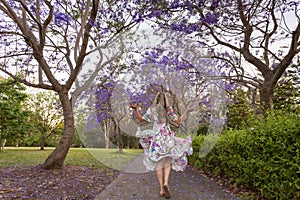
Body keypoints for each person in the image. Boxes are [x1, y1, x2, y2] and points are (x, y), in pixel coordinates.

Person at [130, 92, 193, 199]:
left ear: (156, 99)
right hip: (167, 137)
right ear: (166, 100)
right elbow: (178, 122)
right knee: (167, 161)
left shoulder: (152, 109)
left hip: (157, 138)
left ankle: (161, 189)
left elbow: (141, 120)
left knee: (159, 163)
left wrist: (136, 110)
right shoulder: (169, 109)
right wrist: (186, 111)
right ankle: (166, 183)